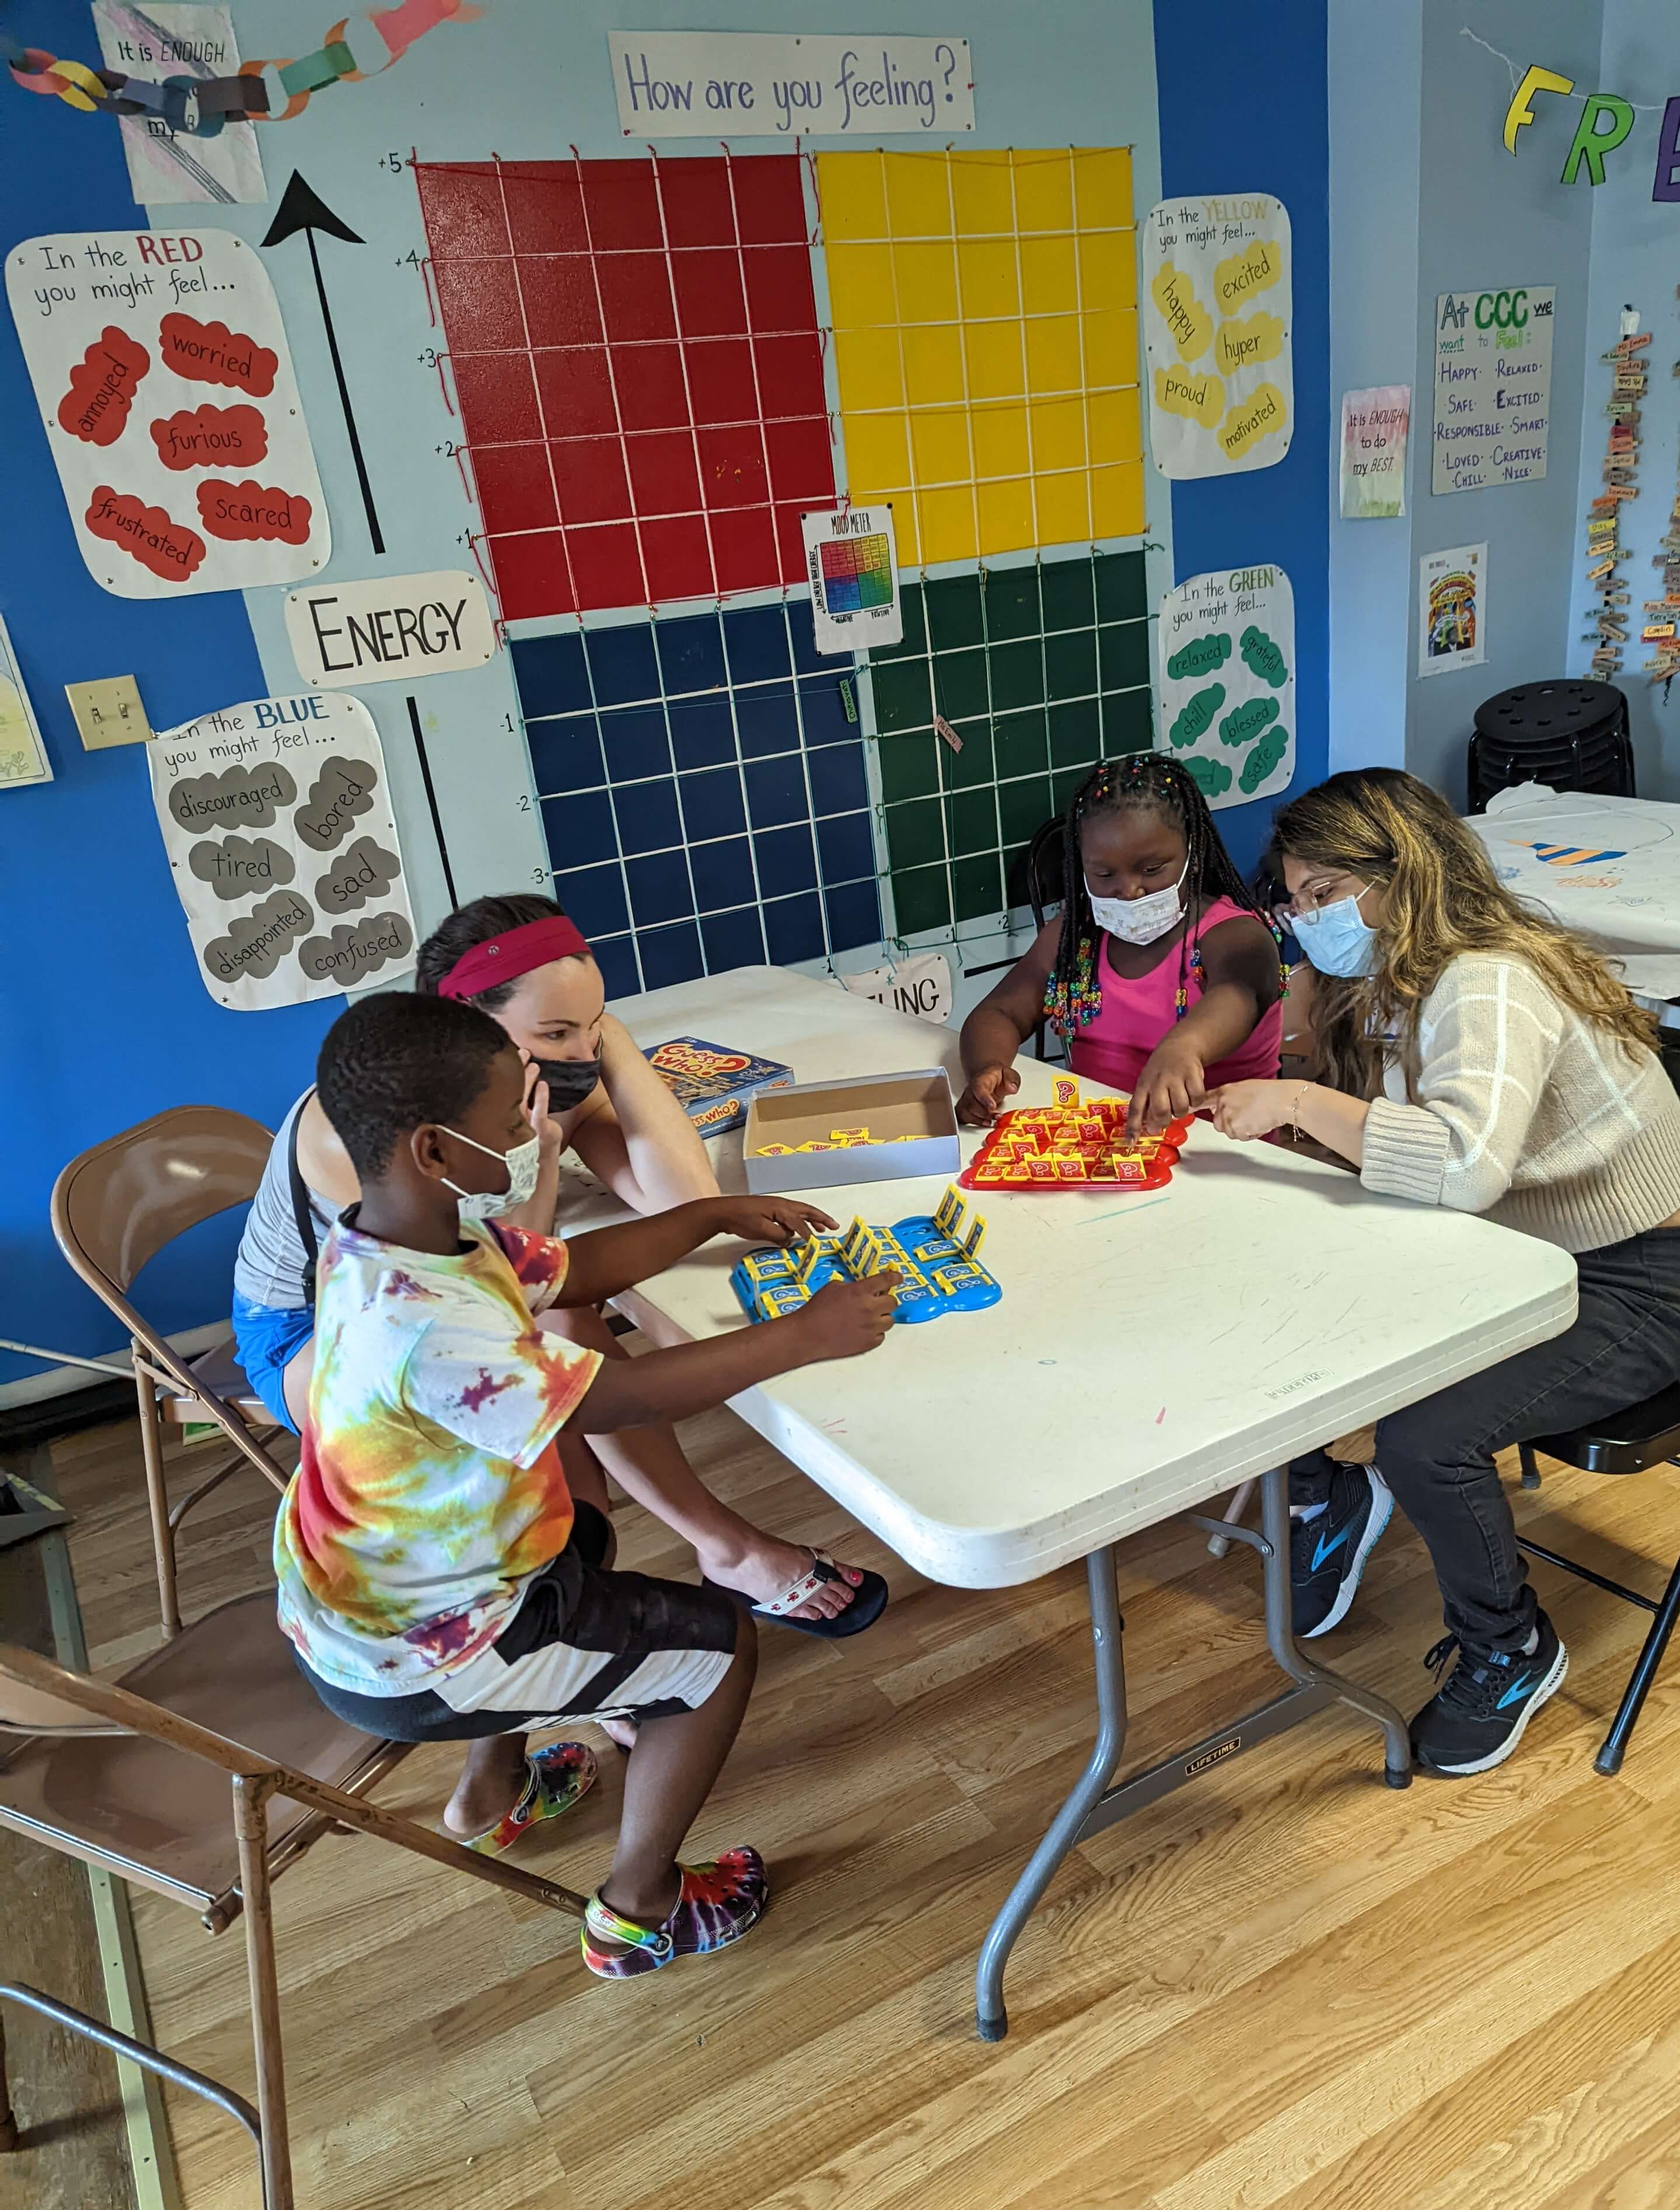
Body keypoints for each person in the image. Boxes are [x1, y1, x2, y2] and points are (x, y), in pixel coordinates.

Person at [277, 991, 897, 1976]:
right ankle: (637, 1910)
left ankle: (494, 1791)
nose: (535, 1135)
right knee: (718, 1649)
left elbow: (570, 1268)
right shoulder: (426, 1323)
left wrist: (706, 1214)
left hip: (382, 1597)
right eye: (508, 1123)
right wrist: (800, 1338)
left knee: (586, 1531)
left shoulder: (399, 1236)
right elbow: (622, 1397)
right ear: (435, 1152)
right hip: (424, 1653)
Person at [1200, 770, 1680, 1777]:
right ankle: (1325, 1493)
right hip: (1510, 1258)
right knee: (1283, 1300)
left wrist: (1302, 1104)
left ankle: (1509, 1648)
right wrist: (1303, 1080)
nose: (1308, 920)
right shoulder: (1395, 975)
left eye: (1324, 893)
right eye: (1294, 900)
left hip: (1626, 1283)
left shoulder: (1489, 979)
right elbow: (1409, 1158)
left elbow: (1465, 1165)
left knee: (1424, 1439)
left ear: (1404, 872)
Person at [233, 894, 883, 1637]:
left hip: (443, 1309)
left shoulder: (540, 1076)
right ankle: (708, 1554)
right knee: (564, 1328)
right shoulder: (389, 1128)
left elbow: (677, 1198)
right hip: (312, 1340)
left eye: (592, 1023)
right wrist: (541, 1153)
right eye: (556, 1031)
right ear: (471, 1026)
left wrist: (613, 1047)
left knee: (570, 1314)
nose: (578, 1053)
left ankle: (585, 1601)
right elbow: (504, 1293)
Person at [955, 753, 1282, 1135]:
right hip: (1104, 1148)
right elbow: (1002, 1013)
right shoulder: (1075, 937)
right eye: (1104, 874)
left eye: (1152, 869)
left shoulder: (1238, 936)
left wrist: (1184, 1047)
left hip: (1221, 1156)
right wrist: (988, 1069)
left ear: (1193, 856)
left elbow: (1239, 995)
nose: (1128, 891)